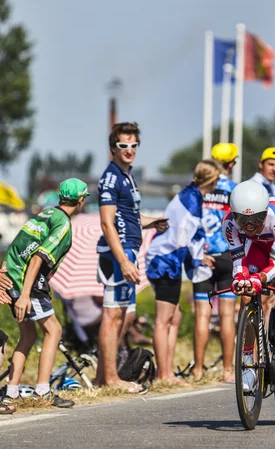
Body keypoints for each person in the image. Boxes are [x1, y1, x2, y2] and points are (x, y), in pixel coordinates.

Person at [1, 178, 89, 408]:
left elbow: (19, 243)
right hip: (28, 282)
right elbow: (39, 257)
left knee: (28, 336)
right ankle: (43, 391)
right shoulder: (63, 224)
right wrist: (24, 295)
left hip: (13, 274)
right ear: (80, 201)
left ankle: (11, 392)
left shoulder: (46, 214)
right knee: (54, 329)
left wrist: (6, 269)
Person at [96, 122, 168, 393]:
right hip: (118, 253)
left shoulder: (128, 175)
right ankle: (110, 379)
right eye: (122, 145)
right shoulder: (112, 177)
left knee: (125, 316)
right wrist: (124, 261)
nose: (128, 150)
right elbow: (107, 223)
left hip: (130, 248)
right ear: (113, 148)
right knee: (113, 315)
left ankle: (103, 376)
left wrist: (154, 223)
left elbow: (130, 218)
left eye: (133, 145)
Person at [222, 181, 275, 391]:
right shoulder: (228, 223)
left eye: (257, 219)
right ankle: (249, 363)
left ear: (265, 211)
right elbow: (238, 261)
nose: (249, 226)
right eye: (243, 220)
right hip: (258, 246)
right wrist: (241, 278)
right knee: (246, 296)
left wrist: (258, 278)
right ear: (233, 214)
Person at [146, 160, 220, 383]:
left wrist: (198, 256)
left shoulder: (191, 194)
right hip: (164, 260)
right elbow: (182, 237)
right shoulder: (192, 199)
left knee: (174, 316)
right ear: (212, 179)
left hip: (168, 258)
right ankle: (164, 375)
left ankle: (167, 371)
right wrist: (198, 257)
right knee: (163, 319)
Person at [191, 143, 239, 383]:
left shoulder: (198, 187)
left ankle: (198, 369)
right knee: (227, 315)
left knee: (202, 314)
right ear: (230, 164)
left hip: (201, 256)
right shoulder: (233, 189)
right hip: (227, 256)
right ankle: (228, 370)